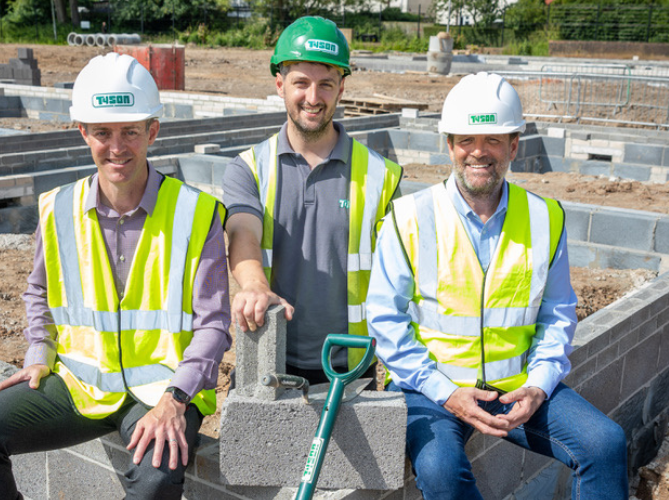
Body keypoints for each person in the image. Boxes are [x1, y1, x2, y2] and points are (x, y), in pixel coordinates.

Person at [0, 53, 231, 500]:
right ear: (83, 132)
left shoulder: (196, 214)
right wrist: (38, 352)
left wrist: (177, 400)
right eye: (102, 132)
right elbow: (39, 290)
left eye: (130, 132)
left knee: (156, 482)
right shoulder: (59, 208)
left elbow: (213, 323)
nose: (116, 147)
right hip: (80, 385)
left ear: (152, 132)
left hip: (161, 389)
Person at [366, 72, 628, 499]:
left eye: (493, 140)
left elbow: (557, 313)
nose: (479, 152)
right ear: (449, 145)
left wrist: (539, 386)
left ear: (513, 146)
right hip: (431, 387)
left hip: (517, 384)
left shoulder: (546, 217)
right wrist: (446, 393)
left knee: (605, 443)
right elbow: (385, 319)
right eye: (467, 140)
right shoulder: (408, 217)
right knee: (441, 472)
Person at [222, 16, 402, 385]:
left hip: (351, 367)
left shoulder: (381, 176)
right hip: (269, 354)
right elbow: (243, 233)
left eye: (326, 85)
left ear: (342, 89)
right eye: (300, 83)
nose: (313, 97)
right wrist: (254, 283)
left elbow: (401, 273)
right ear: (280, 84)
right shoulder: (250, 168)